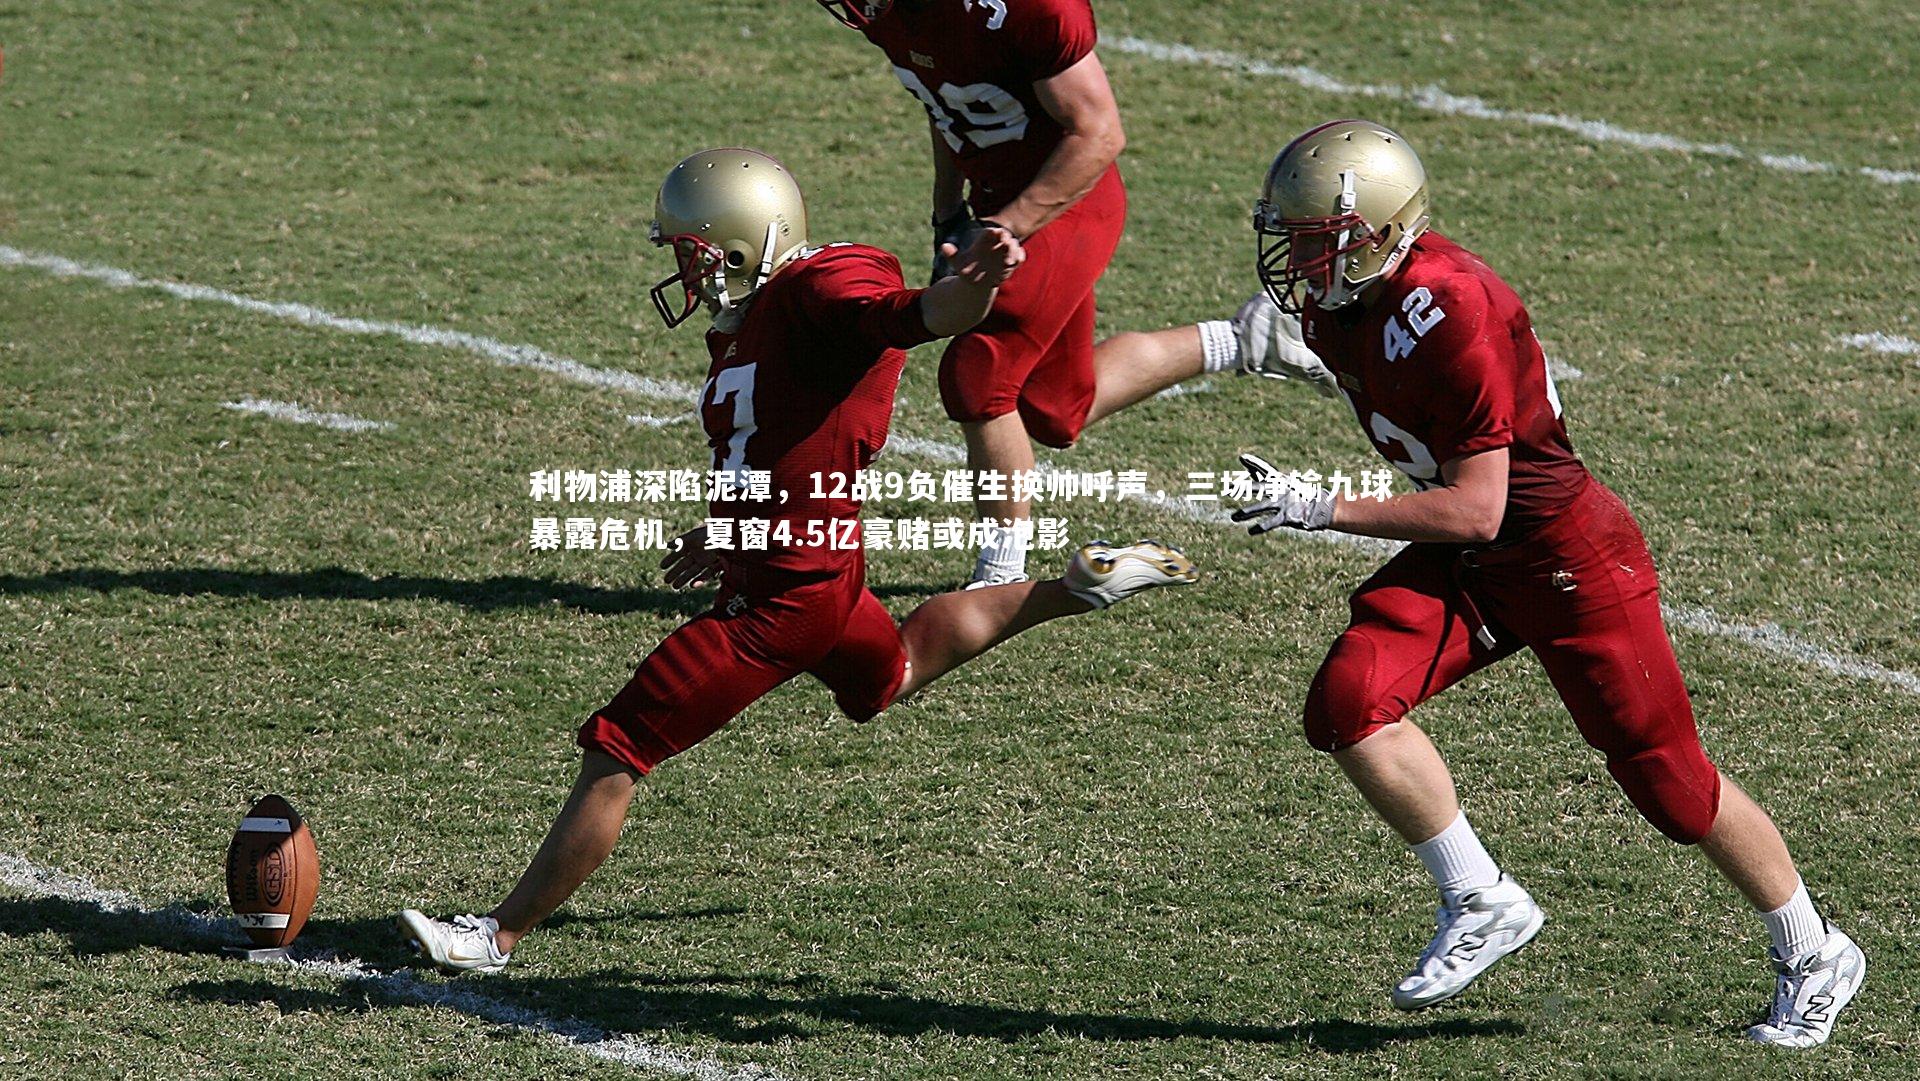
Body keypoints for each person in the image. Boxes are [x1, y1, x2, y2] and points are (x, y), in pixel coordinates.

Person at [398, 148, 1198, 972]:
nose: (684, 268)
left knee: (620, 744)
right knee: (891, 674)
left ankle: (494, 935)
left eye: (694, 250)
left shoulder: (821, 290)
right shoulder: (761, 318)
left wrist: (974, 287)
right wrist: (731, 528)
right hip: (818, 565)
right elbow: (785, 446)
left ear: (747, 243)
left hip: (779, 602)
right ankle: (1077, 587)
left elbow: (916, 314)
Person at [1230, 120, 1863, 1048]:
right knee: (1350, 699)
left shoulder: (1454, 307)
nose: (1298, 257)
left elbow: (1478, 508)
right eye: (1292, 235)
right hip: (1483, 560)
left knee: (1669, 783)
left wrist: (1320, 508)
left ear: (1379, 232)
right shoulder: (1340, 301)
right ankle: (1480, 896)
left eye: (1317, 238)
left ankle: (1815, 948)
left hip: (1561, 552)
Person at [817, 0, 1327, 588]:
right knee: (1058, 409)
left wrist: (1008, 224)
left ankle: (1000, 575)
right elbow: (948, 106)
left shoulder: (1025, 9)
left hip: (1068, 204)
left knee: (977, 376)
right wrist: (948, 210)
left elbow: (1100, 132)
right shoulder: (893, 15)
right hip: (997, 205)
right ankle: (1250, 339)